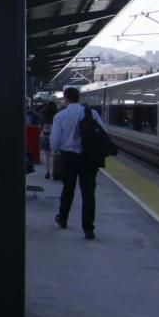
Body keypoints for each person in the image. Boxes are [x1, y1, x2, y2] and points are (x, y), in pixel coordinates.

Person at [49, 87, 107, 240]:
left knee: (68, 189)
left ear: (66, 99)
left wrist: (54, 151)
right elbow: (103, 133)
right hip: (88, 158)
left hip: (68, 157)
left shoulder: (60, 116)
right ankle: (88, 229)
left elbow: (55, 139)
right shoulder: (92, 114)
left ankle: (63, 218)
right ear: (79, 98)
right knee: (88, 193)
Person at [40, 101, 59, 179]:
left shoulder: (43, 114)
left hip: (45, 134)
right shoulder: (57, 114)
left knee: (47, 155)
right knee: (55, 155)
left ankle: (47, 171)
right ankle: (55, 171)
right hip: (54, 134)